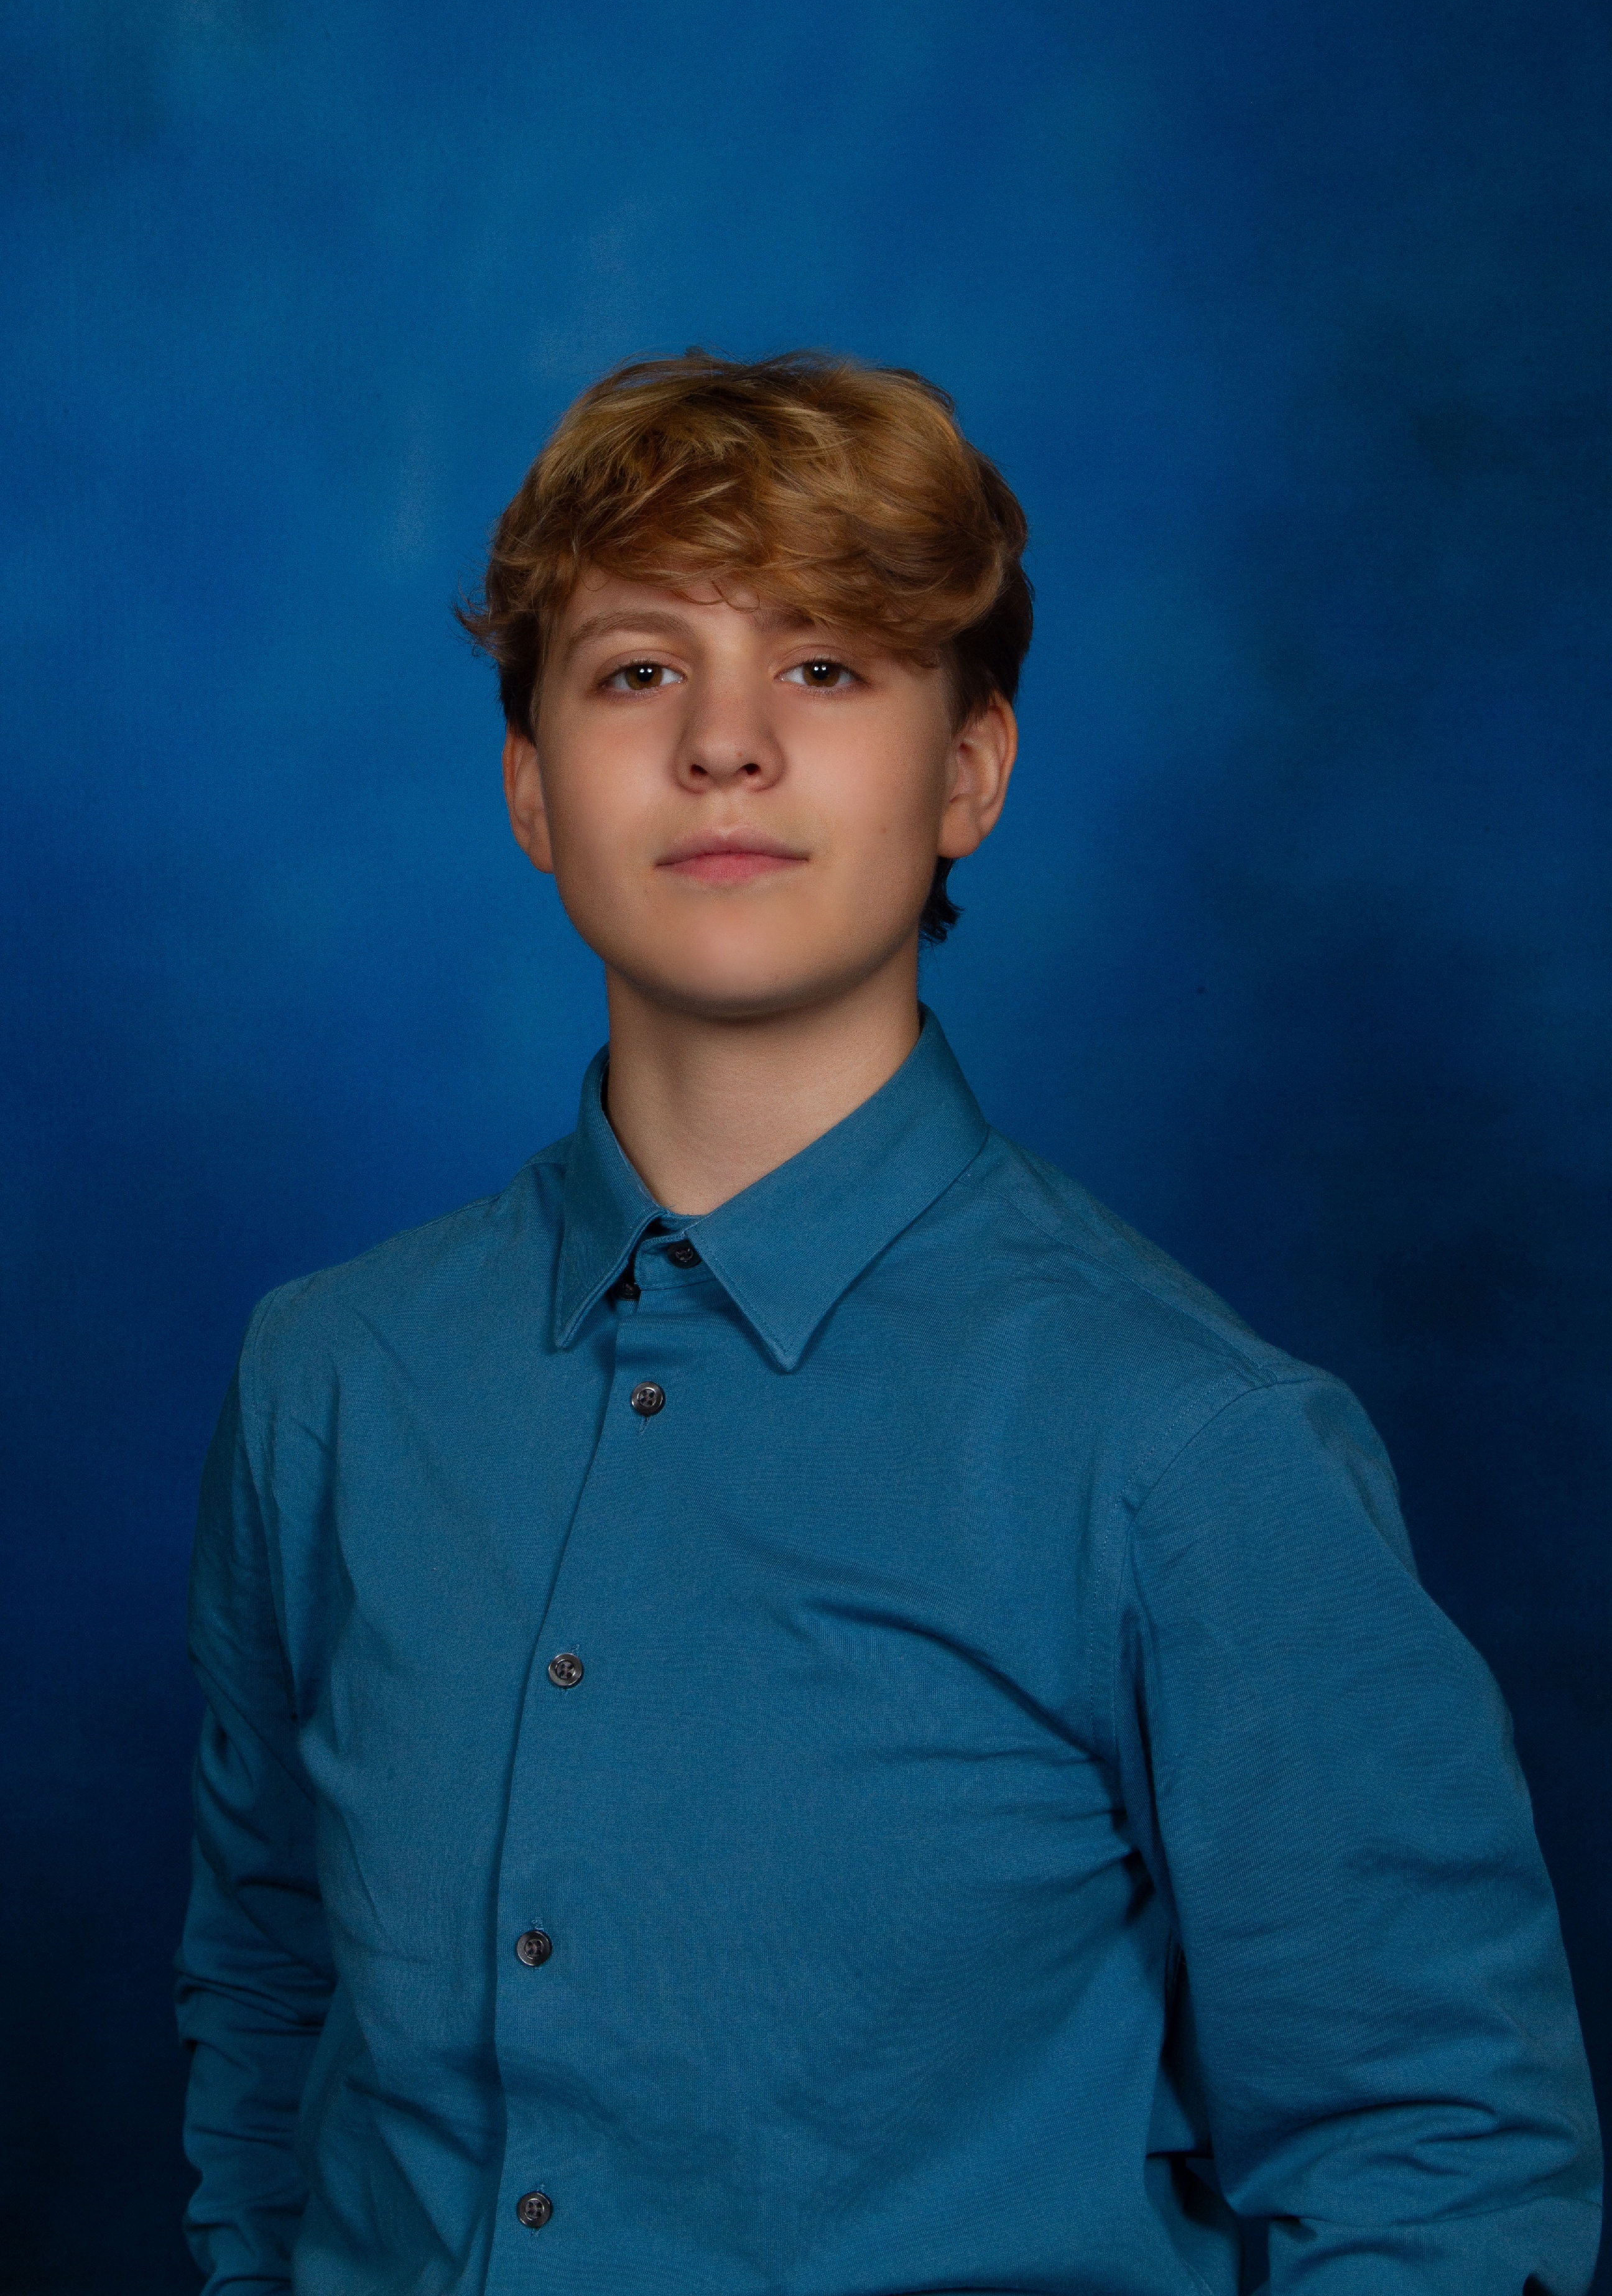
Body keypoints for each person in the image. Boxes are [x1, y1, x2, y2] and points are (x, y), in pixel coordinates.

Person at [175, 349, 1601, 2295]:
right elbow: (266, 2003)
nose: (725, 744)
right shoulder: (329, 1381)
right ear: (529, 788)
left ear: (969, 776)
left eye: (827, 667)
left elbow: (1440, 2164)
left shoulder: (1188, 1447)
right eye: (639, 670)